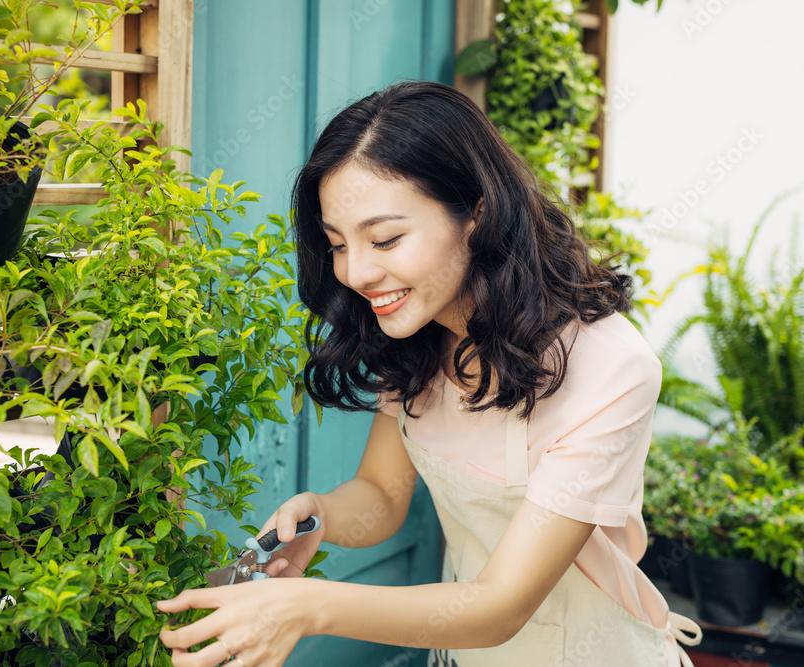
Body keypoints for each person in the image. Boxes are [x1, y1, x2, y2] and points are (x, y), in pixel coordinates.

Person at [157, 80, 703, 666]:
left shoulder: (613, 369)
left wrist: (306, 606)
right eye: (338, 243)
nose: (358, 272)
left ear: (477, 212)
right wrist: (321, 515)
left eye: (386, 238)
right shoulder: (419, 334)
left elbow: (500, 607)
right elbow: (384, 495)